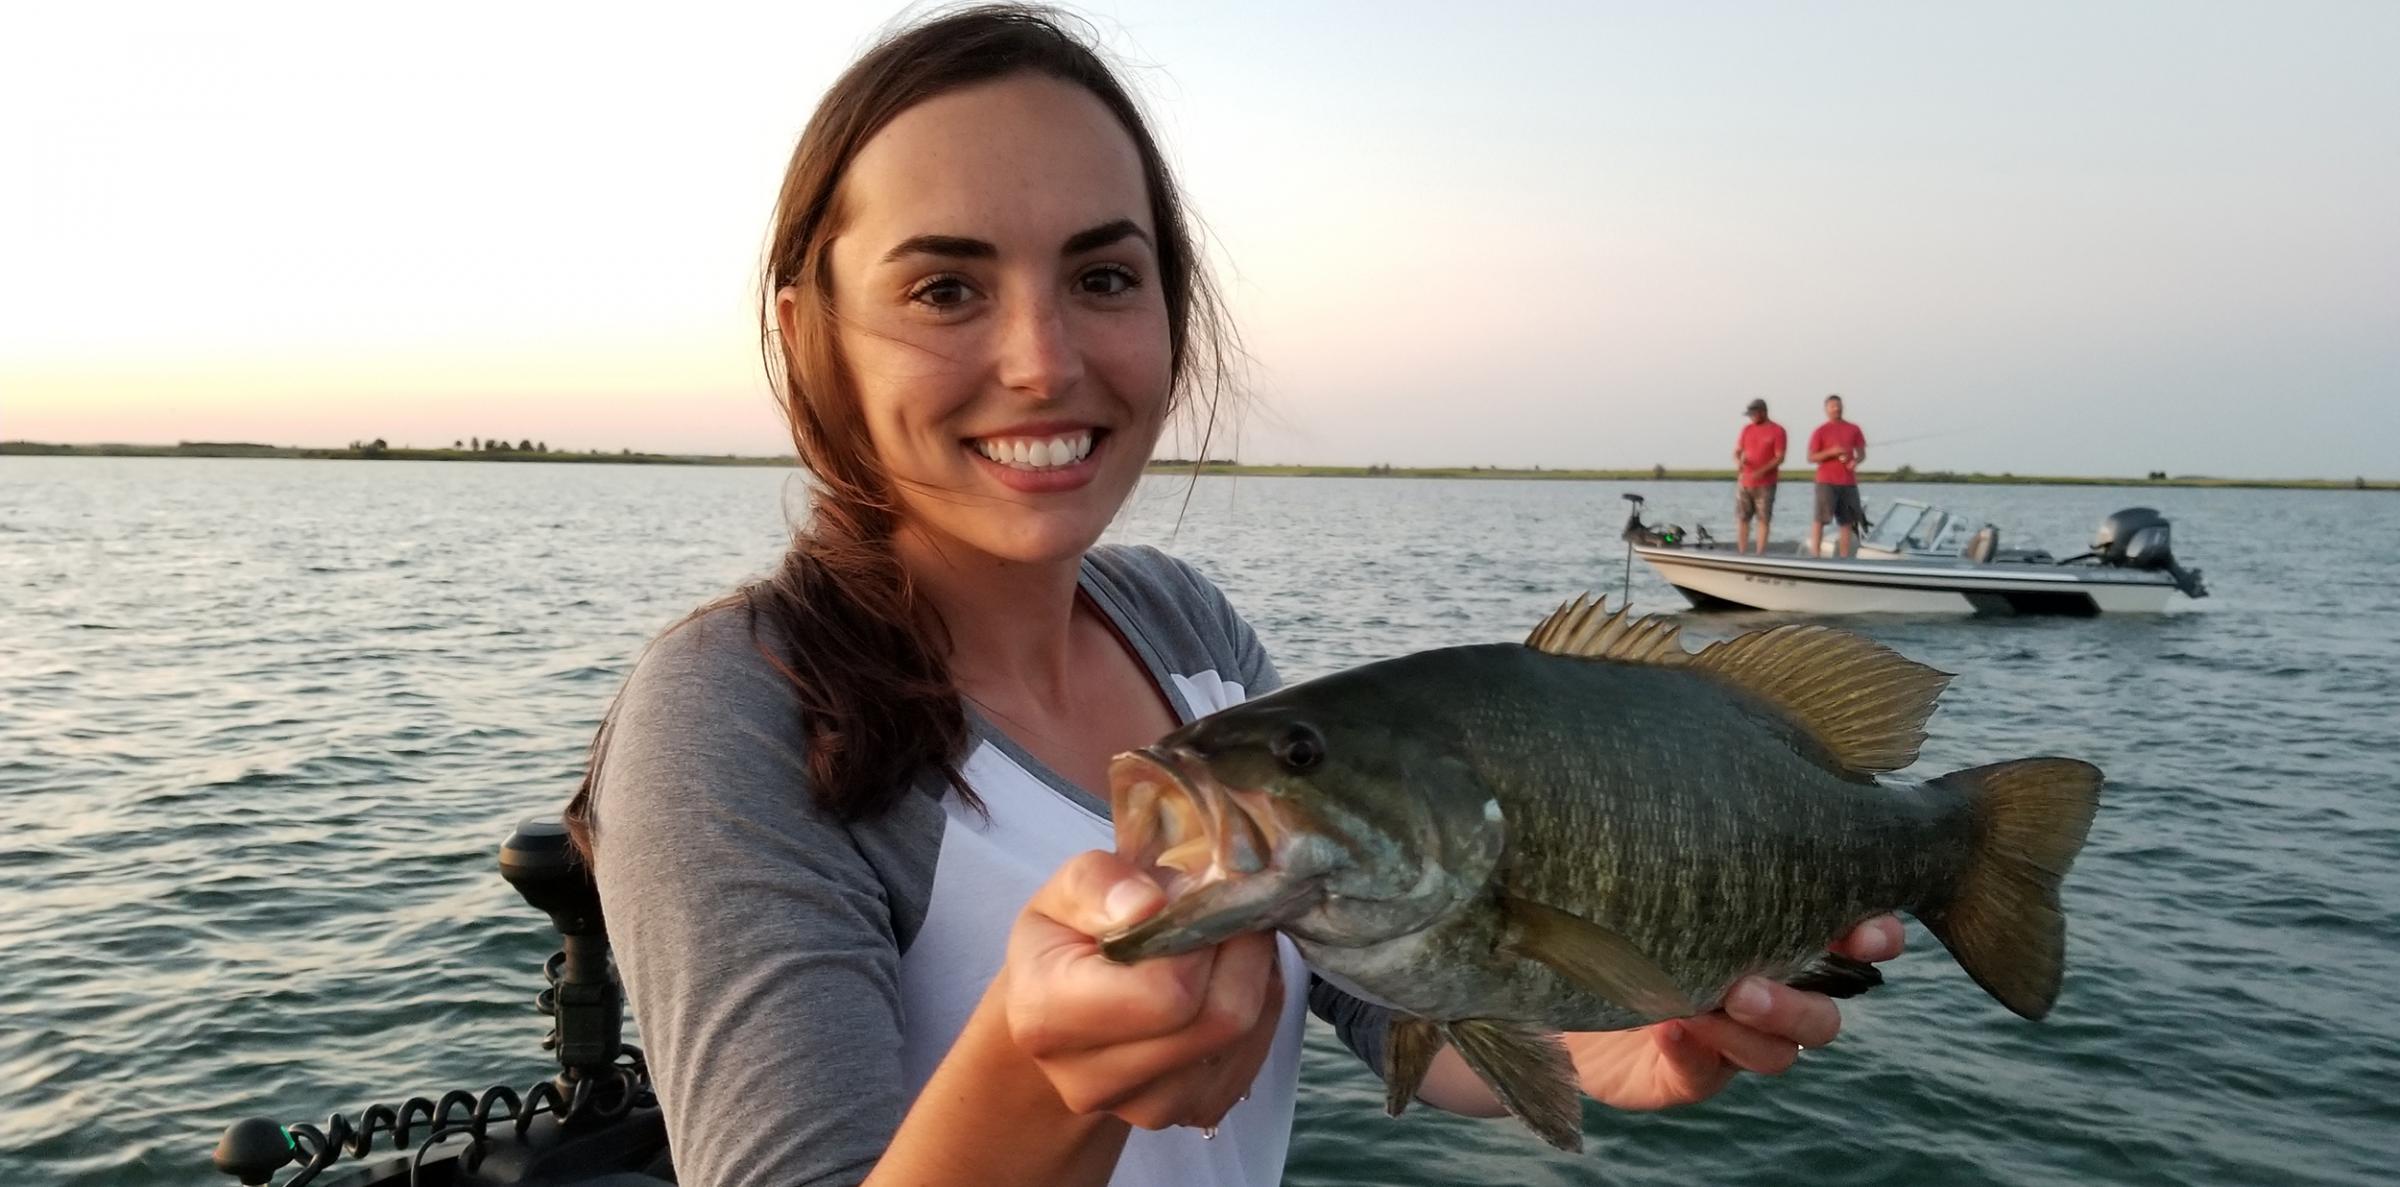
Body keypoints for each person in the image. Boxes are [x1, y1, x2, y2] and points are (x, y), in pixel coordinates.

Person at [562, 9, 1903, 1187]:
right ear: (807, 330)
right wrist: (1037, 1088)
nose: (1042, 358)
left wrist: (1626, 1043)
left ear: (1172, 311)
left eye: (1103, 276)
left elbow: (1393, 1001)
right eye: (946, 287)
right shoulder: (731, 713)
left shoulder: (1185, 629)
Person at [1807, 394, 1868, 557]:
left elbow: (1861, 453)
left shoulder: (1854, 429)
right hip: (1826, 481)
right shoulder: (1820, 431)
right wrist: (1831, 452)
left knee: (1847, 522)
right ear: (1826, 409)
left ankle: (1844, 557)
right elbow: (1811, 457)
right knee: (1820, 519)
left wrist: (1855, 461)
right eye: (1833, 406)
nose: (1837, 409)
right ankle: (1815, 555)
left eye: (1839, 405)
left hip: (1848, 481)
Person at [1732, 398, 1785, 554]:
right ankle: (1742, 552)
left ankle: (1760, 553)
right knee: (1742, 518)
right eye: (1750, 415)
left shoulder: (1777, 430)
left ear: (1763, 412)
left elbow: (1780, 457)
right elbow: (1737, 450)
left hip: (1766, 483)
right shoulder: (1747, 429)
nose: (1752, 417)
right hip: (1745, 482)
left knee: (1763, 519)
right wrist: (1738, 461)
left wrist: (1762, 471)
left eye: (1754, 414)